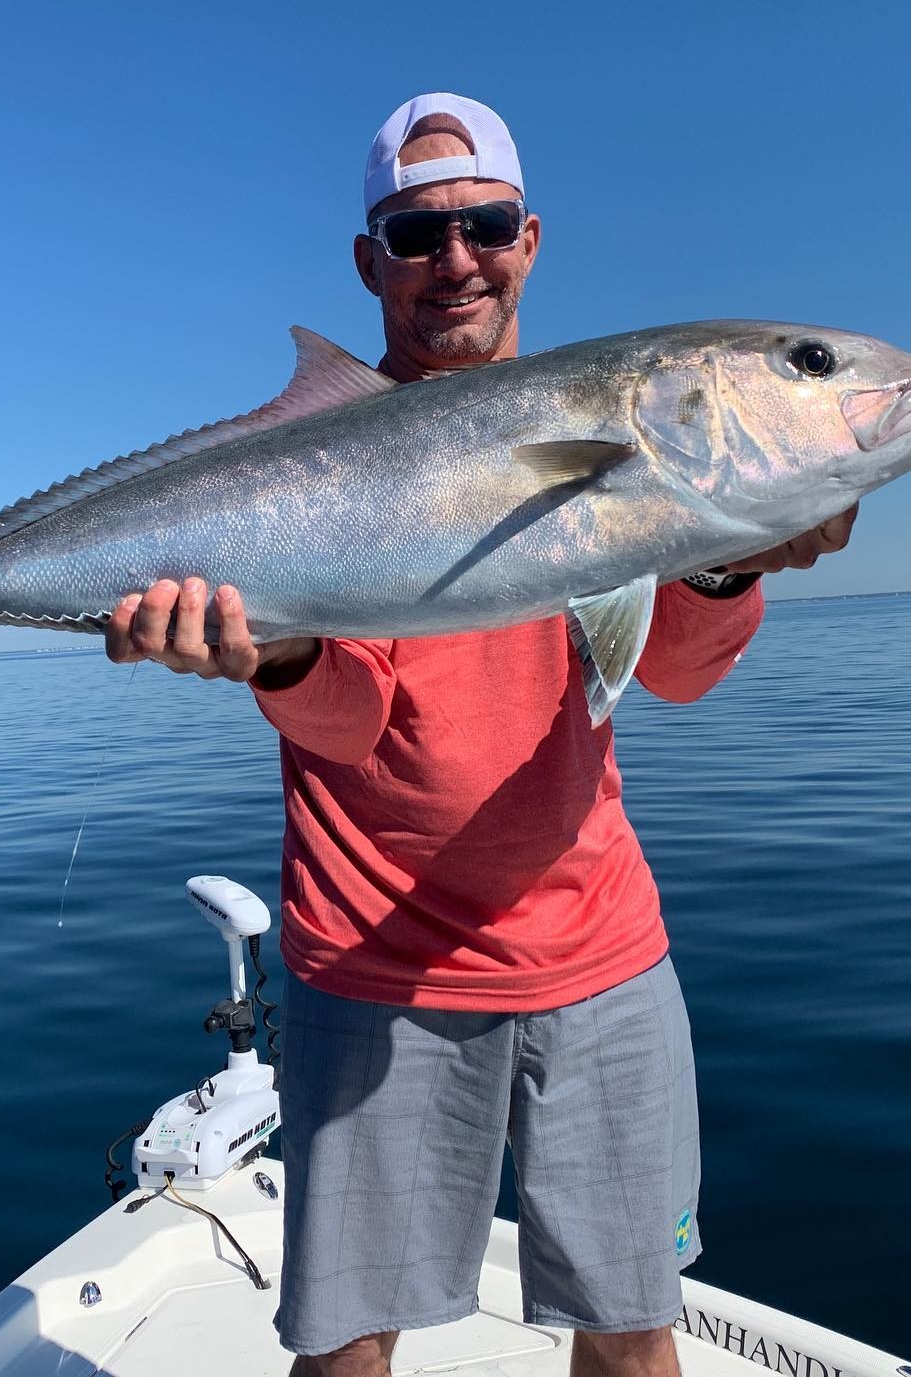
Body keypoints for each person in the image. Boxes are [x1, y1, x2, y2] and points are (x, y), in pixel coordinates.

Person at [105, 94, 857, 1377]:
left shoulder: (620, 439)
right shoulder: (326, 462)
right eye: (415, 233)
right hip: (373, 961)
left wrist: (725, 569)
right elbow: (356, 729)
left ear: (530, 238)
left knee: (633, 1335)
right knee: (347, 1350)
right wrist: (276, 650)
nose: (455, 258)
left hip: (598, 951)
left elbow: (669, 675)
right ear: (369, 262)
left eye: (485, 224)